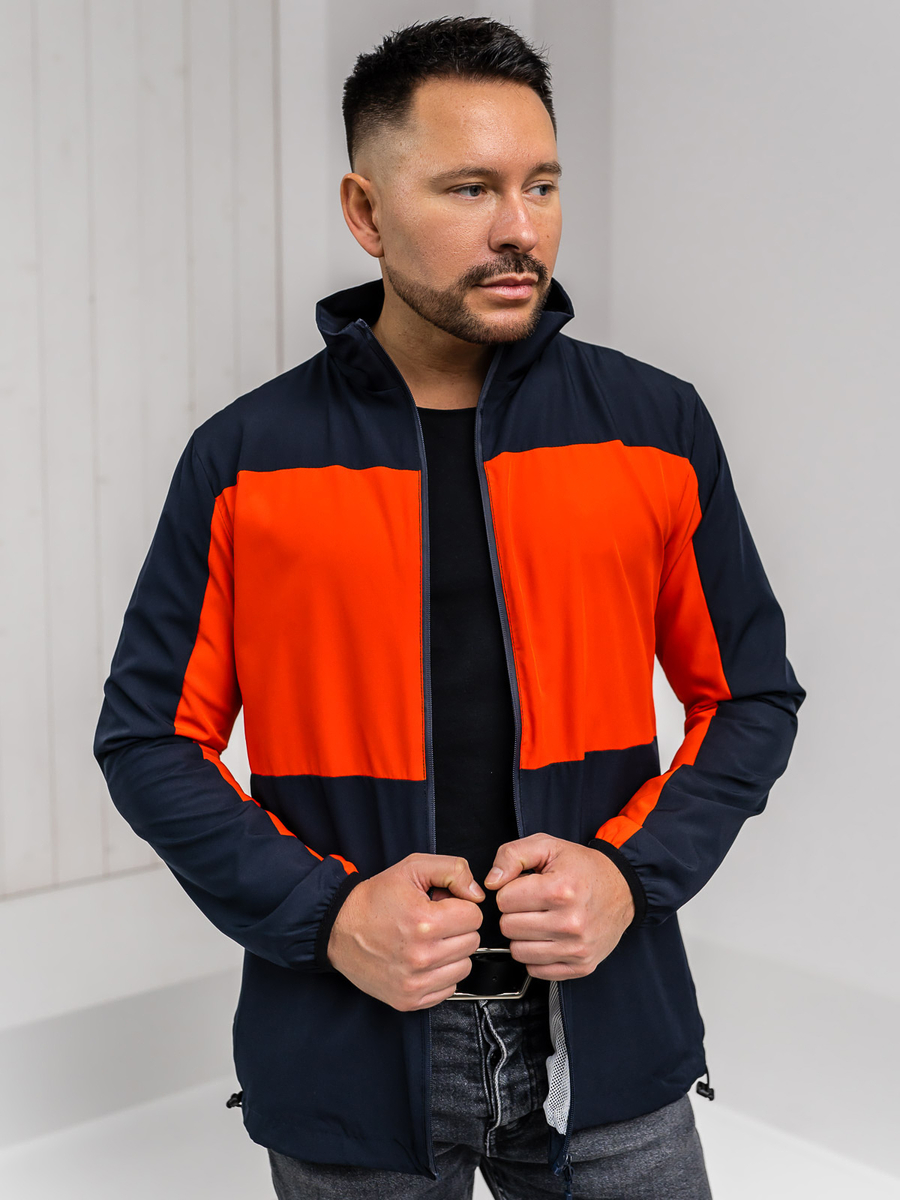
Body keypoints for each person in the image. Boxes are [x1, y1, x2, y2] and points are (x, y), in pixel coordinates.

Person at [94, 16, 805, 1200]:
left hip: (610, 1037)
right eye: (470, 188)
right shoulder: (243, 459)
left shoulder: (659, 429)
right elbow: (147, 740)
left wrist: (627, 875)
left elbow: (752, 698)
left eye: (542, 185)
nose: (520, 227)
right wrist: (328, 915)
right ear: (366, 212)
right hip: (344, 1048)